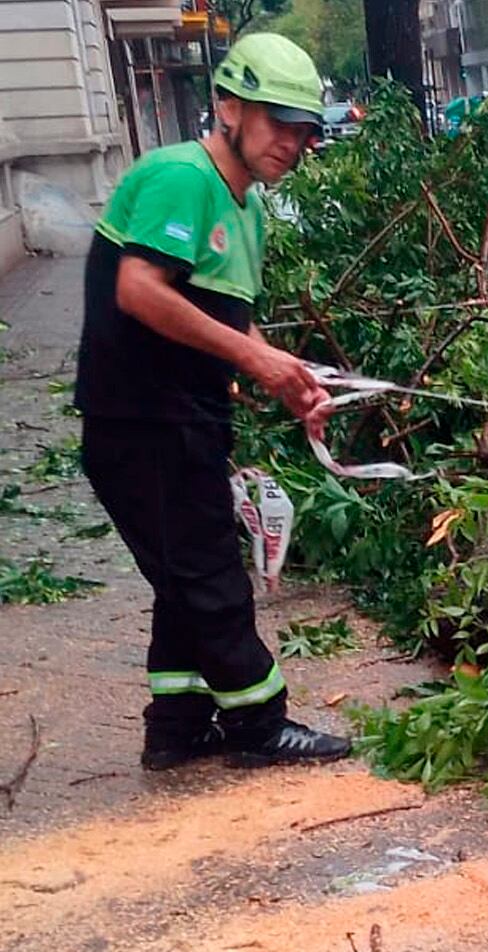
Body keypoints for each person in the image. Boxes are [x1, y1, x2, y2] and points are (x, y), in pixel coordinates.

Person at [75, 33, 351, 769]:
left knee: (184, 575)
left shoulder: (245, 207)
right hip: (141, 422)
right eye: (278, 122)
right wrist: (255, 356)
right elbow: (140, 291)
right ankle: (260, 725)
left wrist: (284, 377)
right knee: (208, 577)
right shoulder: (181, 176)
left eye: (304, 129)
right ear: (229, 107)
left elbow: (225, 317)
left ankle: (177, 726)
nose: (294, 143)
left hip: (185, 419)